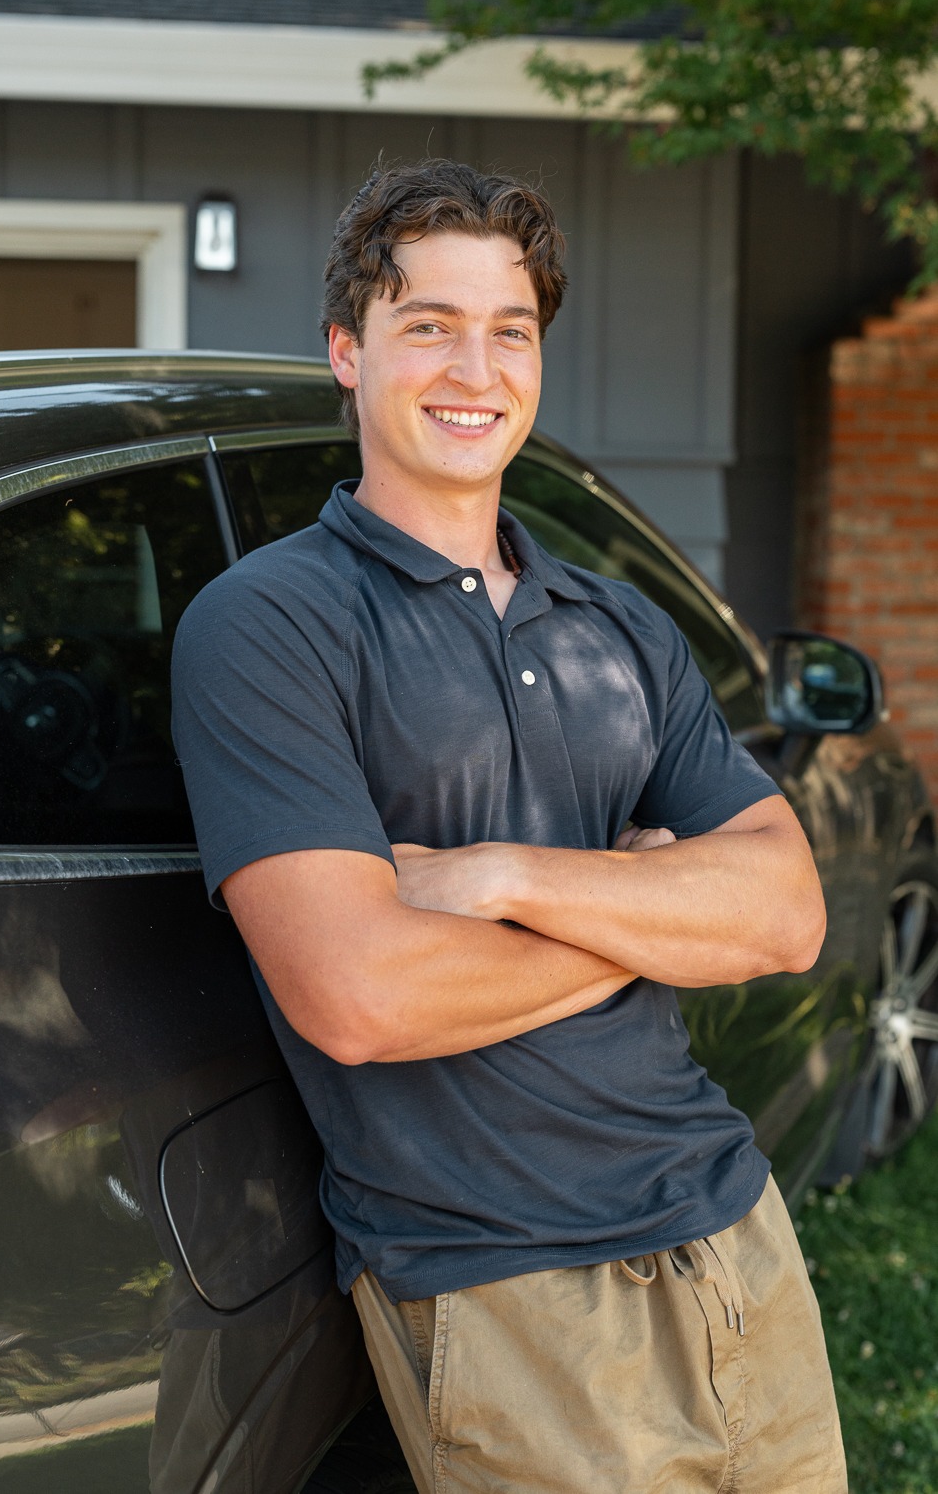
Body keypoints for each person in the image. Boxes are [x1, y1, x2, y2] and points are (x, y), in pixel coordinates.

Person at [171, 158, 846, 1493]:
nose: (474, 370)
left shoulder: (617, 625)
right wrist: (652, 915)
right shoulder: (269, 626)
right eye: (429, 325)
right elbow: (361, 997)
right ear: (347, 351)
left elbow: (786, 915)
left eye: (510, 331)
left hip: (733, 1234)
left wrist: (499, 876)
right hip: (504, 1286)